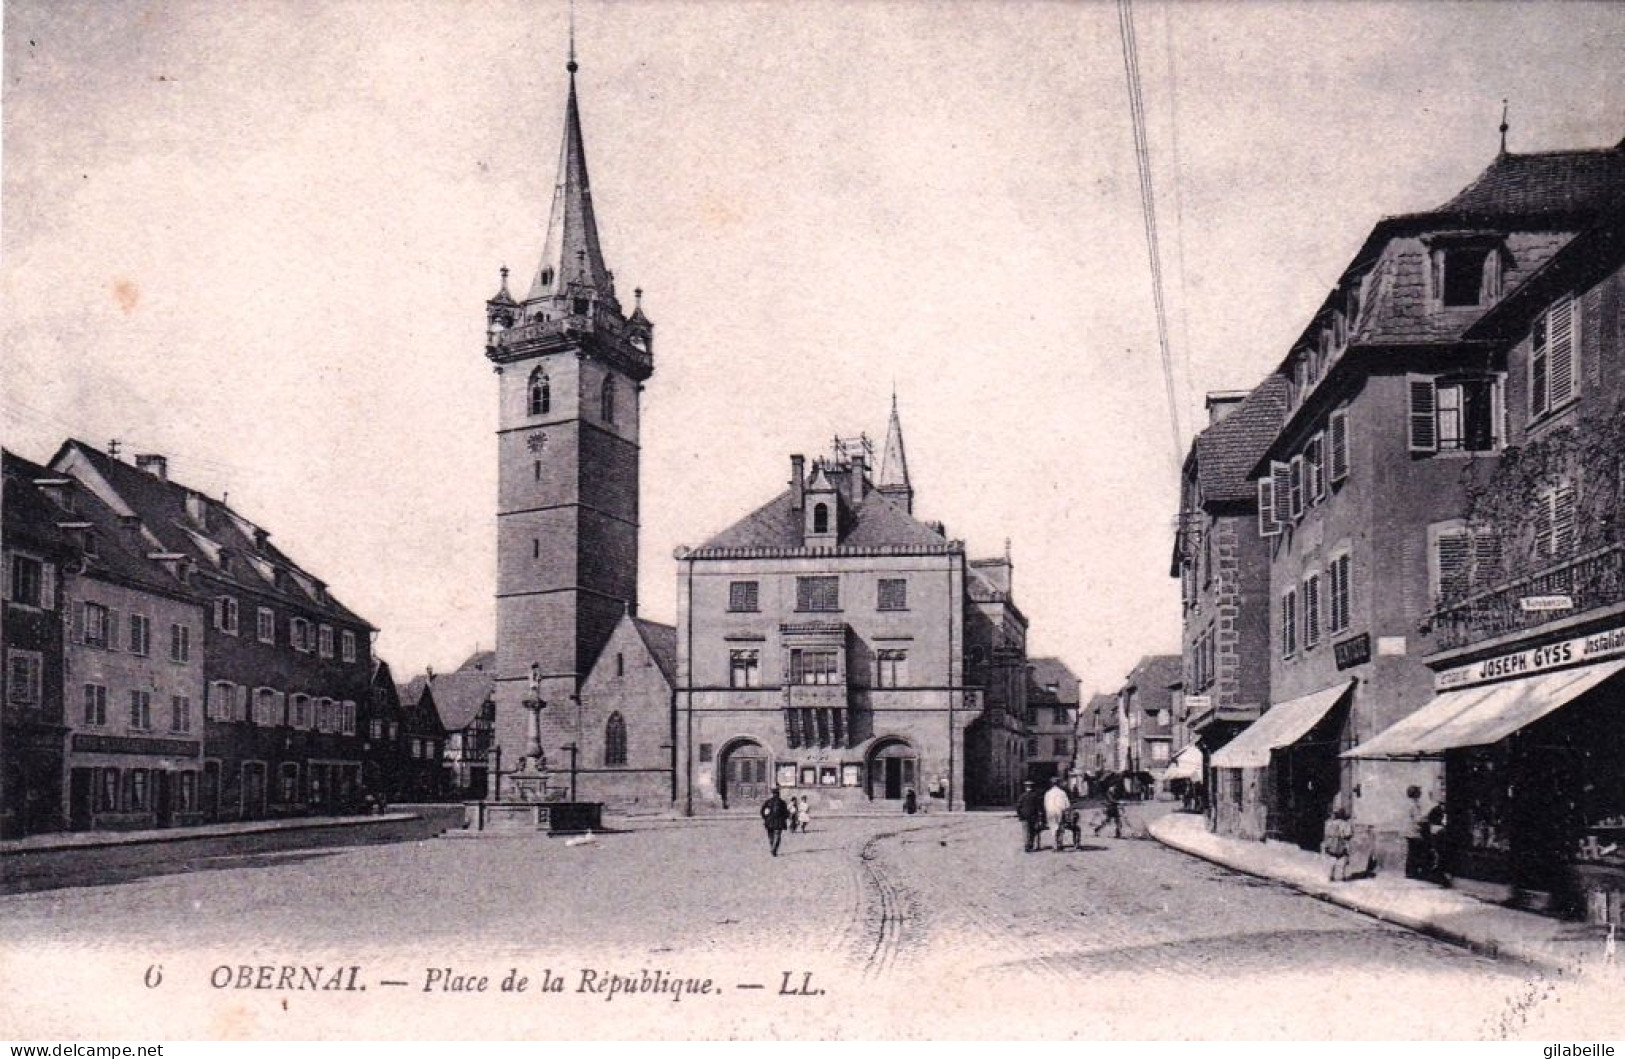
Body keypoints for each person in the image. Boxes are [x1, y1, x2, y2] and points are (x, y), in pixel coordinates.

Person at [1324, 806, 1354, 881]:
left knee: (1332, 860)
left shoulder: (1330, 823)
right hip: (1342, 844)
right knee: (1342, 861)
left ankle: (1331, 876)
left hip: (1332, 844)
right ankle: (1342, 877)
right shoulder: (1346, 824)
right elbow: (1348, 834)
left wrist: (1327, 844)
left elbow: (1327, 834)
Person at [1043, 777, 1071, 853]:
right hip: (1059, 811)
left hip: (1050, 811)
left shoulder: (1048, 793)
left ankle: (1055, 845)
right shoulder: (1062, 793)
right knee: (1060, 828)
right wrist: (1067, 812)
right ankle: (1060, 844)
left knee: (1053, 828)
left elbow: (1045, 804)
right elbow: (1067, 805)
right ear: (1058, 784)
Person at [1016, 780, 1045, 852]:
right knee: (1032, 831)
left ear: (1025, 787)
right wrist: (1040, 816)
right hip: (1033, 816)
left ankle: (1026, 845)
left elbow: (1018, 806)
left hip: (1024, 816)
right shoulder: (1035, 796)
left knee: (1026, 831)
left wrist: (1020, 815)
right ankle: (1030, 844)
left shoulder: (1022, 796)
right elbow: (1039, 807)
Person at [760, 788, 790, 856]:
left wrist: (765, 818)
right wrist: (784, 818)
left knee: (771, 836)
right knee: (777, 836)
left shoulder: (768, 801)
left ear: (773, 794)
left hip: (770, 821)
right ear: (779, 794)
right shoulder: (782, 802)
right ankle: (774, 849)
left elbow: (762, 810)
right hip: (779, 821)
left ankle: (772, 848)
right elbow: (786, 813)